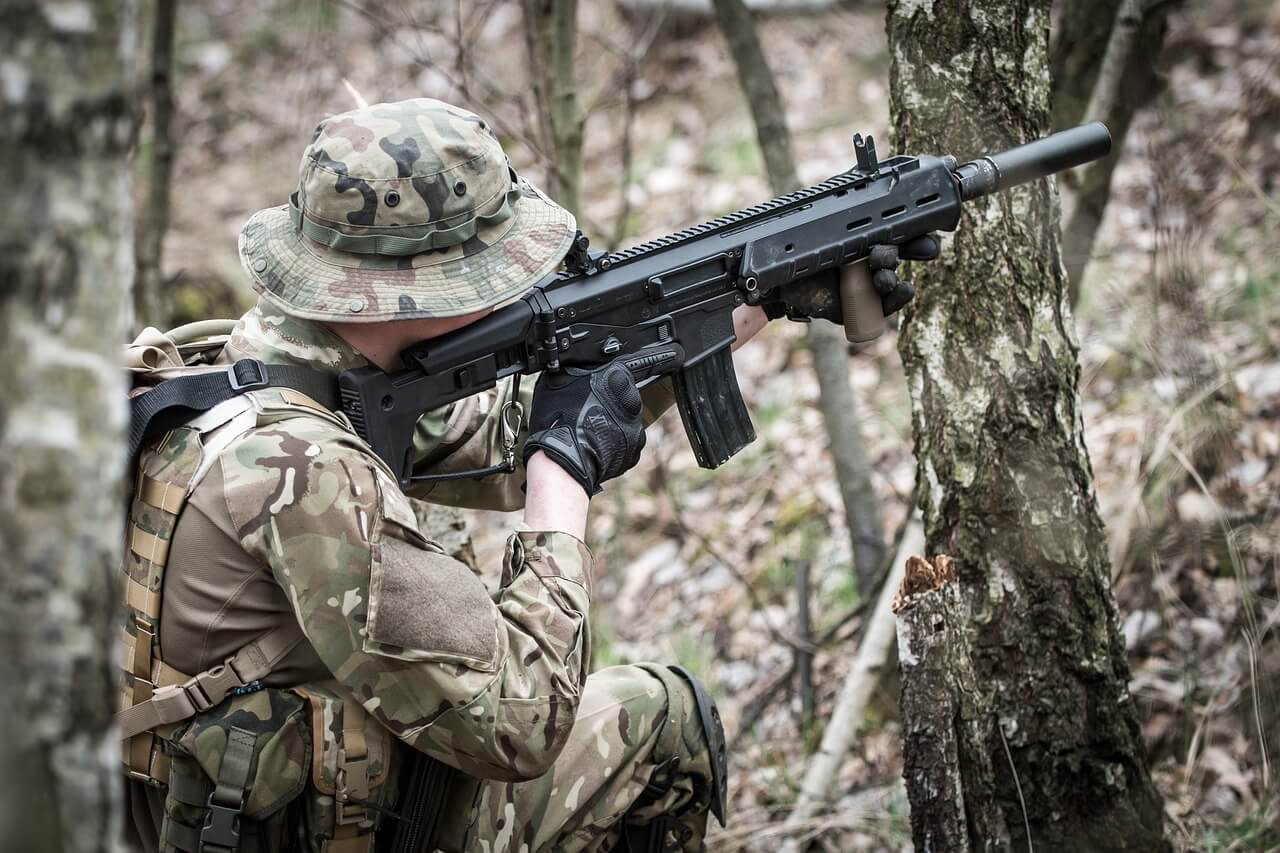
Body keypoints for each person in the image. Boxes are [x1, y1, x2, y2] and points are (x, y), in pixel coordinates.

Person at [118, 97, 933, 853]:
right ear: (411, 290)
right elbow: (523, 721)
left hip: (211, 811)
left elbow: (496, 437)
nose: (511, 285)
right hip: (327, 824)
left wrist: (758, 293)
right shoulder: (306, 476)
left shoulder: (244, 373)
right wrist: (562, 481)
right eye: (486, 270)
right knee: (662, 717)